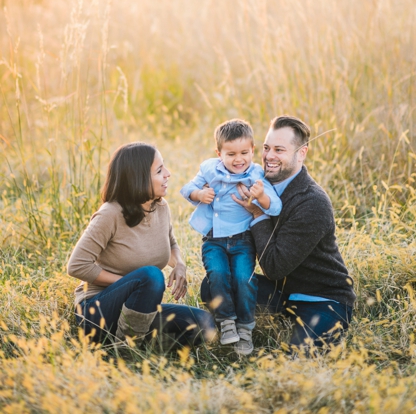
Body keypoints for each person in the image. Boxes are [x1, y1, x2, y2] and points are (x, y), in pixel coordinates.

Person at [202, 115, 356, 352]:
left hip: (322, 299)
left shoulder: (312, 202)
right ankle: (246, 326)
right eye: (266, 148)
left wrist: (257, 213)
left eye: (279, 150)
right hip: (283, 293)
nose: (269, 156)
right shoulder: (259, 182)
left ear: (301, 153)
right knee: (213, 285)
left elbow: (274, 268)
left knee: (298, 359)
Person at [67, 142, 216, 347]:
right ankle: (128, 348)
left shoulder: (160, 208)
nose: (168, 174)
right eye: (159, 170)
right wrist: (129, 284)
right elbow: (77, 265)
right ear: (138, 178)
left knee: (205, 324)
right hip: (97, 312)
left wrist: (179, 264)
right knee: (151, 276)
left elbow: (171, 243)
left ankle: (147, 347)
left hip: (139, 310)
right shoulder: (110, 213)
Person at [180, 118, 281, 355]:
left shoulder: (256, 174)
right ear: (219, 153)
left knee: (243, 278)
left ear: (253, 150)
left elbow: (275, 207)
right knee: (218, 274)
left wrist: (261, 197)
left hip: (243, 240)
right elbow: (186, 189)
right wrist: (199, 193)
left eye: (244, 152)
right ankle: (226, 322)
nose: (238, 159)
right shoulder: (209, 169)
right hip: (214, 239)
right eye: (231, 153)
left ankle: (245, 327)